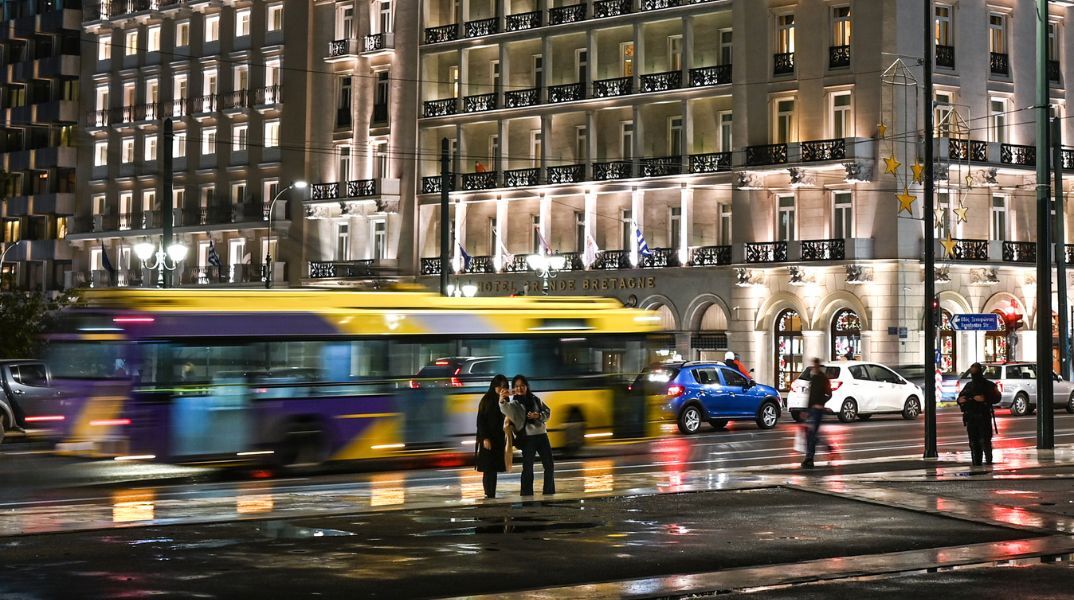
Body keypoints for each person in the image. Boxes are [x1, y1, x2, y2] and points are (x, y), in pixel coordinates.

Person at [501, 374, 554, 496]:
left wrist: (538, 415)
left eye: (522, 385)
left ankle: (549, 492)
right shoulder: (514, 404)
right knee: (528, 468)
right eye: (516, 386)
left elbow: (547, 413)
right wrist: (502, 398)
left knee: (549, 465)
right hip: (527, 438)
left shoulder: (535, 399)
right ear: (514, 388)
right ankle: (526, 494)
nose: (519, 388)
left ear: (526, 386)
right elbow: (504, 408)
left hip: (542, 435)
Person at [957, 362, 1001, 466]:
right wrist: (960, 400)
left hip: (983, 416)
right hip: (971, 417)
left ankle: (988, 461)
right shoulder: (969, 385)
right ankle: (976, 462)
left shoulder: (988, 385)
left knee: (984, 441)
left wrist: (985, 399)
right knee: (973, 442)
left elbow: (997, 397)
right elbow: (961, 397)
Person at [475, 374, 510, 499]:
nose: (501, 389)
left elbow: (508, 416)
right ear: (494, 386)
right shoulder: (486, 399)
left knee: (493, 467)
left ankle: (491, 493)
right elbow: (480, 421)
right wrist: (484, 438)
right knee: (487, 467)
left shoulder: (505, 400)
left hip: (499, 438)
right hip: (488, 438)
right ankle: (488, 492)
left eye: (504, 386)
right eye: (499, 386)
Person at [802, 358, 831, 469]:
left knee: (812, 434)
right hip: (812, 410)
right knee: (811, 434)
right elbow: (811, 396)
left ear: (818, 366)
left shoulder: (823, 378)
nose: (814, 367)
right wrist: (806, 410)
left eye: (815, 365)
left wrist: (821, 404)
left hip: (818, 410)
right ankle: (828, 448)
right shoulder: (814, 378)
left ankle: (809, 458)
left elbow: (829, 394)